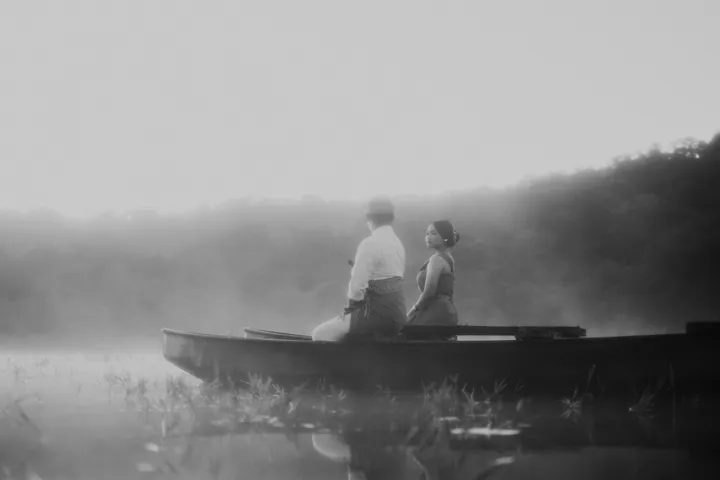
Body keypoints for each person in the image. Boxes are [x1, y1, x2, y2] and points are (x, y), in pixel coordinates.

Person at [311, 196, 407, 341]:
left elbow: (356, 288)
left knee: (320, 334)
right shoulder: (397, 244)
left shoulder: (370, 243)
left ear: (369, 218)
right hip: (398, 317)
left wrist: (350, 311)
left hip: (376, 316)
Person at [406, 220, 460, 327]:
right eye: (427, 233)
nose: (428, 237)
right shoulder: (448, 258)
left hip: (436, 312)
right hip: (446, 310)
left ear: (444, 237)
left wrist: (412, 310)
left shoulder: (437, 259)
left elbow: (429, 292)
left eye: (434, 233)